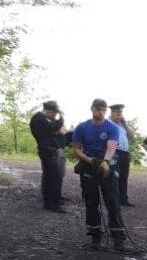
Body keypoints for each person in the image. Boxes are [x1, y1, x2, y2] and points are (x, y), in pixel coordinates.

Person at [71, 98, 126, 251]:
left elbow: (111, 146)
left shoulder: (112, 127)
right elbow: (75, 148)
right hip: (89, 167)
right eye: (98, 109)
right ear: (92, 109)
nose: (100, 112)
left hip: (107, 167)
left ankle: (118, 238)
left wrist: (105, 162)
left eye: (103, 110)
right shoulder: (82, 127)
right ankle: (95, 237)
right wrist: (89, 160)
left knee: (113, 203)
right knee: (91, 203)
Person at [29, 100, 66, 212]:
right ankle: (51, 203)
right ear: (49, 111)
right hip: (47, 151)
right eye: (54, 113)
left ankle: (55, 198)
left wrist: (57, 123)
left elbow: (60, 129)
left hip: (53, 150)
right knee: (52, 177)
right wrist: (61, 117)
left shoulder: (46, 119)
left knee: (55, 175)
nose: (55, 115)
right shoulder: (38, 118)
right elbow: (55, 127)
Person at [109, 103, 135, 206]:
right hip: (115, 152)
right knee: (115, 177)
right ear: (112, 112)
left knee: (124, 177)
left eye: (121, 112)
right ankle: (114, 199)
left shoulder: (122, 124)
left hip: (125, 153)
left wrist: (125, 124)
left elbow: (131, 136)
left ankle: (123, 199)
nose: (120, 115)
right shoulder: (108, 123)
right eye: (118, 112)